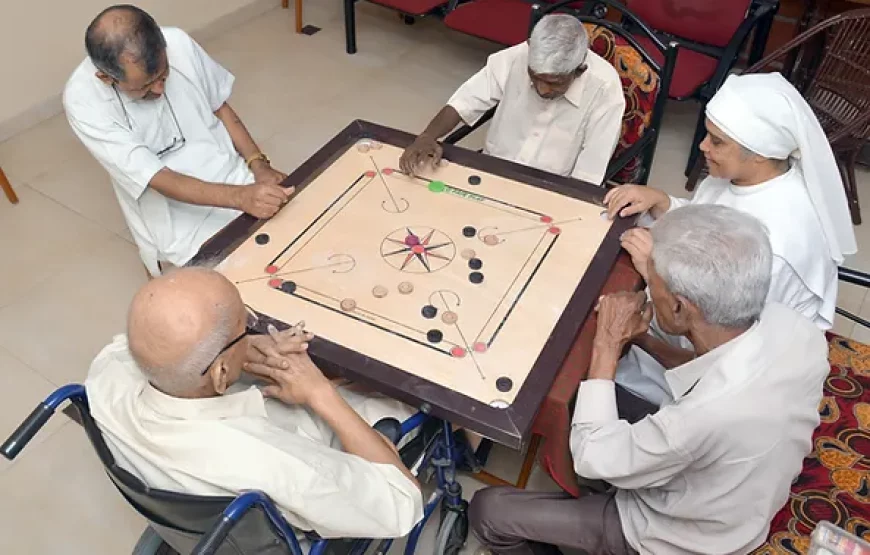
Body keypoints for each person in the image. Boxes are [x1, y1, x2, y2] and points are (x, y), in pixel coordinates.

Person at [469, 204, 830, 555]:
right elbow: (706, 371)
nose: (646, 290)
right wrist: (641, 338)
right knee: (579, 397)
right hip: (736, 487)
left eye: (651, 283)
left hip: (677, 535)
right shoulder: (798, 330)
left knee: (489, 511)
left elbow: (593, 456)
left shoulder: (703, 416)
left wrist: (608, 341)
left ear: (679, 307)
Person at [85, 267, 423, 539]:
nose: (249, 331)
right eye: (244, 326)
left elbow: (135, 346)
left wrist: (243, 350)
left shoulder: (105, 377)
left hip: (187, 475)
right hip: (283, 484)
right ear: (218, 375)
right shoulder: (280, 467)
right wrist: (321, 393)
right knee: (389, 403)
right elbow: (402, 503)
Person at [603, 72, 857, 406]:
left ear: (760, 154)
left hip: (711, 384)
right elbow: (706, 225)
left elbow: (724, 351)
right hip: (683, 331)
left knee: (584, 364)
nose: (702, 146)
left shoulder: (777, 248)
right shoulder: (743, 177)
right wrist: (664, 202)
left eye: (717, 141)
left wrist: (655, 270)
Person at [64, 5, 293, 277]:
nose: (160, 89)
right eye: (145, 86)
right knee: (222, 291)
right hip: (171, 219)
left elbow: (219, 107)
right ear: (106, 78)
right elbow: (159, 179)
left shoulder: (178, 42)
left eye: (163, 75)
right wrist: (241, 197)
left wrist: (258, 165)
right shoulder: (83, 101)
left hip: (234, 178)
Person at [400, 14, 624, 185]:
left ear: (580, 70)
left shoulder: (606, 91)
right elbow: (465, 101)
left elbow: (587, 175)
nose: (542, 89)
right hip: (492, 168)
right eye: (535, 77)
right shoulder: (517, 56)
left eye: (555, 83)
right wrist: (428, 135)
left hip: (552, 187)